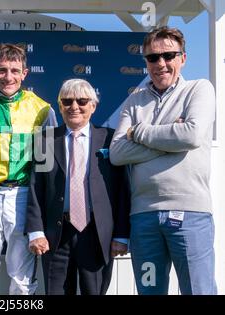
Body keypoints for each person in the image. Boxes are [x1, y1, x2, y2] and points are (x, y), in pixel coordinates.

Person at [109, 26, 217, 295]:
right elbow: (118, 152)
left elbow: (190, 136)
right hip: (143, 218)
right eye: (153, 58)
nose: (161, 64)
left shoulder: (199, 89)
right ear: (145, 61)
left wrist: (140, 132)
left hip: (190, 215)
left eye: (169, 55)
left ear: (183, 58)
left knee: (198, 291)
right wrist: (171, 141)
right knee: (149, 291)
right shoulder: (134, 101)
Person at [0, 43, 57, 295]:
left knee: (22, 277)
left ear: (25, 74)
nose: (8, 77)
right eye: (2, 70)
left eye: (15, 71)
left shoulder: (42, 109)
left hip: (24, 197)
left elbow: (48, 162)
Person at [26, 79, 130, 295]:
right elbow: (36, 187)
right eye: (67, 101)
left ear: (93, 105)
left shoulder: (110, 140)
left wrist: (121, 234)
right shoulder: (44, 140)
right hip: (56, 235)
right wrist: (36, 231)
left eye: (82, 101)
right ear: (59, 106)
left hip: (97, 235)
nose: (74, 106)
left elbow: (122, 190)